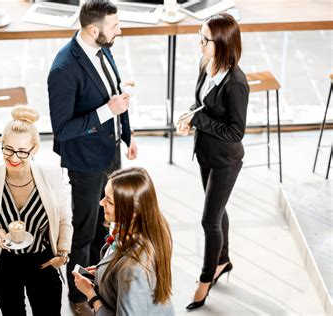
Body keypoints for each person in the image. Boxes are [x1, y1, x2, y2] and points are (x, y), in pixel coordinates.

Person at [47, 0, 137, 312]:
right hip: (85, 162)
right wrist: (106, 112)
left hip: (110, 153)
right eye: (115, 26)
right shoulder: (63, 69)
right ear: (93, 29)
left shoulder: (103, 47)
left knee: (106, 221)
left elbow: (115, 92)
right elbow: (62, 129)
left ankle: (98, 278)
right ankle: (76, 294)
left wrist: (126, 134)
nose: (119, 31)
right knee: (85, 229)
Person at [177, 13, 249, 309]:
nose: (199, 42)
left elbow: (236, 131)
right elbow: (201, 104)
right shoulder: (206, 64)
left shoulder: (236, 84)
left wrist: (200, 120)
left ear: (220, 43)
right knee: (218, 211)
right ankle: (223, 261)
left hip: (225, 160)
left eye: (204, 38)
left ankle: (206, 279)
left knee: (209, 220)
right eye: (200, 35)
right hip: (206, 153)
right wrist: (189, 118)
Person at [0, 105, 73, 316]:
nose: (13, 157)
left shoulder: (53, 176)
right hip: (6, 262)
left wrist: (63, 254)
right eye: (7, 149)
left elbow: (65, 219)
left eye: (22, 151)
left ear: (34, 149)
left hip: (43, 260)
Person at [72, 167, 174, 315]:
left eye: (110, 201)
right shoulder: (152, 226)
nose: (101, 203)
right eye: (104, 196)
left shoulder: (133, 270)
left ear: (132, 211)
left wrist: (91, 295)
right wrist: (104, 272)